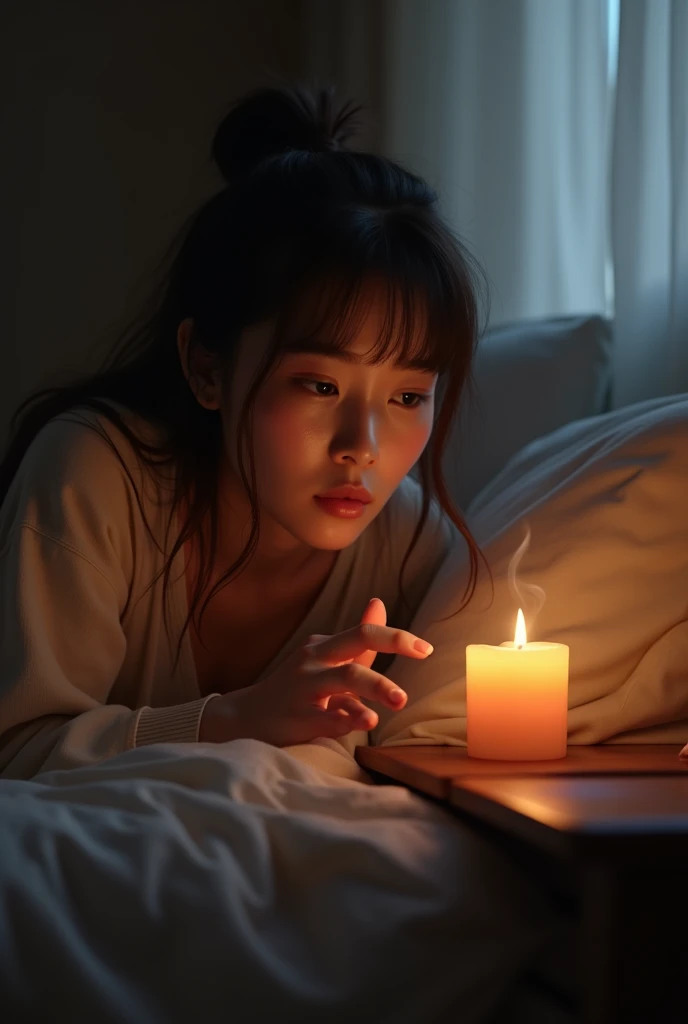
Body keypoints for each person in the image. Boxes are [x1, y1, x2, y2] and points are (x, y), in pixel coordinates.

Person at [0, 83, 489, 780]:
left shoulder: (409, 543)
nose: (364, 444)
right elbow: (14, 749)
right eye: (320, 385)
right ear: (205, 368)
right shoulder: (95, 473)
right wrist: (237, 719)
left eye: (409, 395)